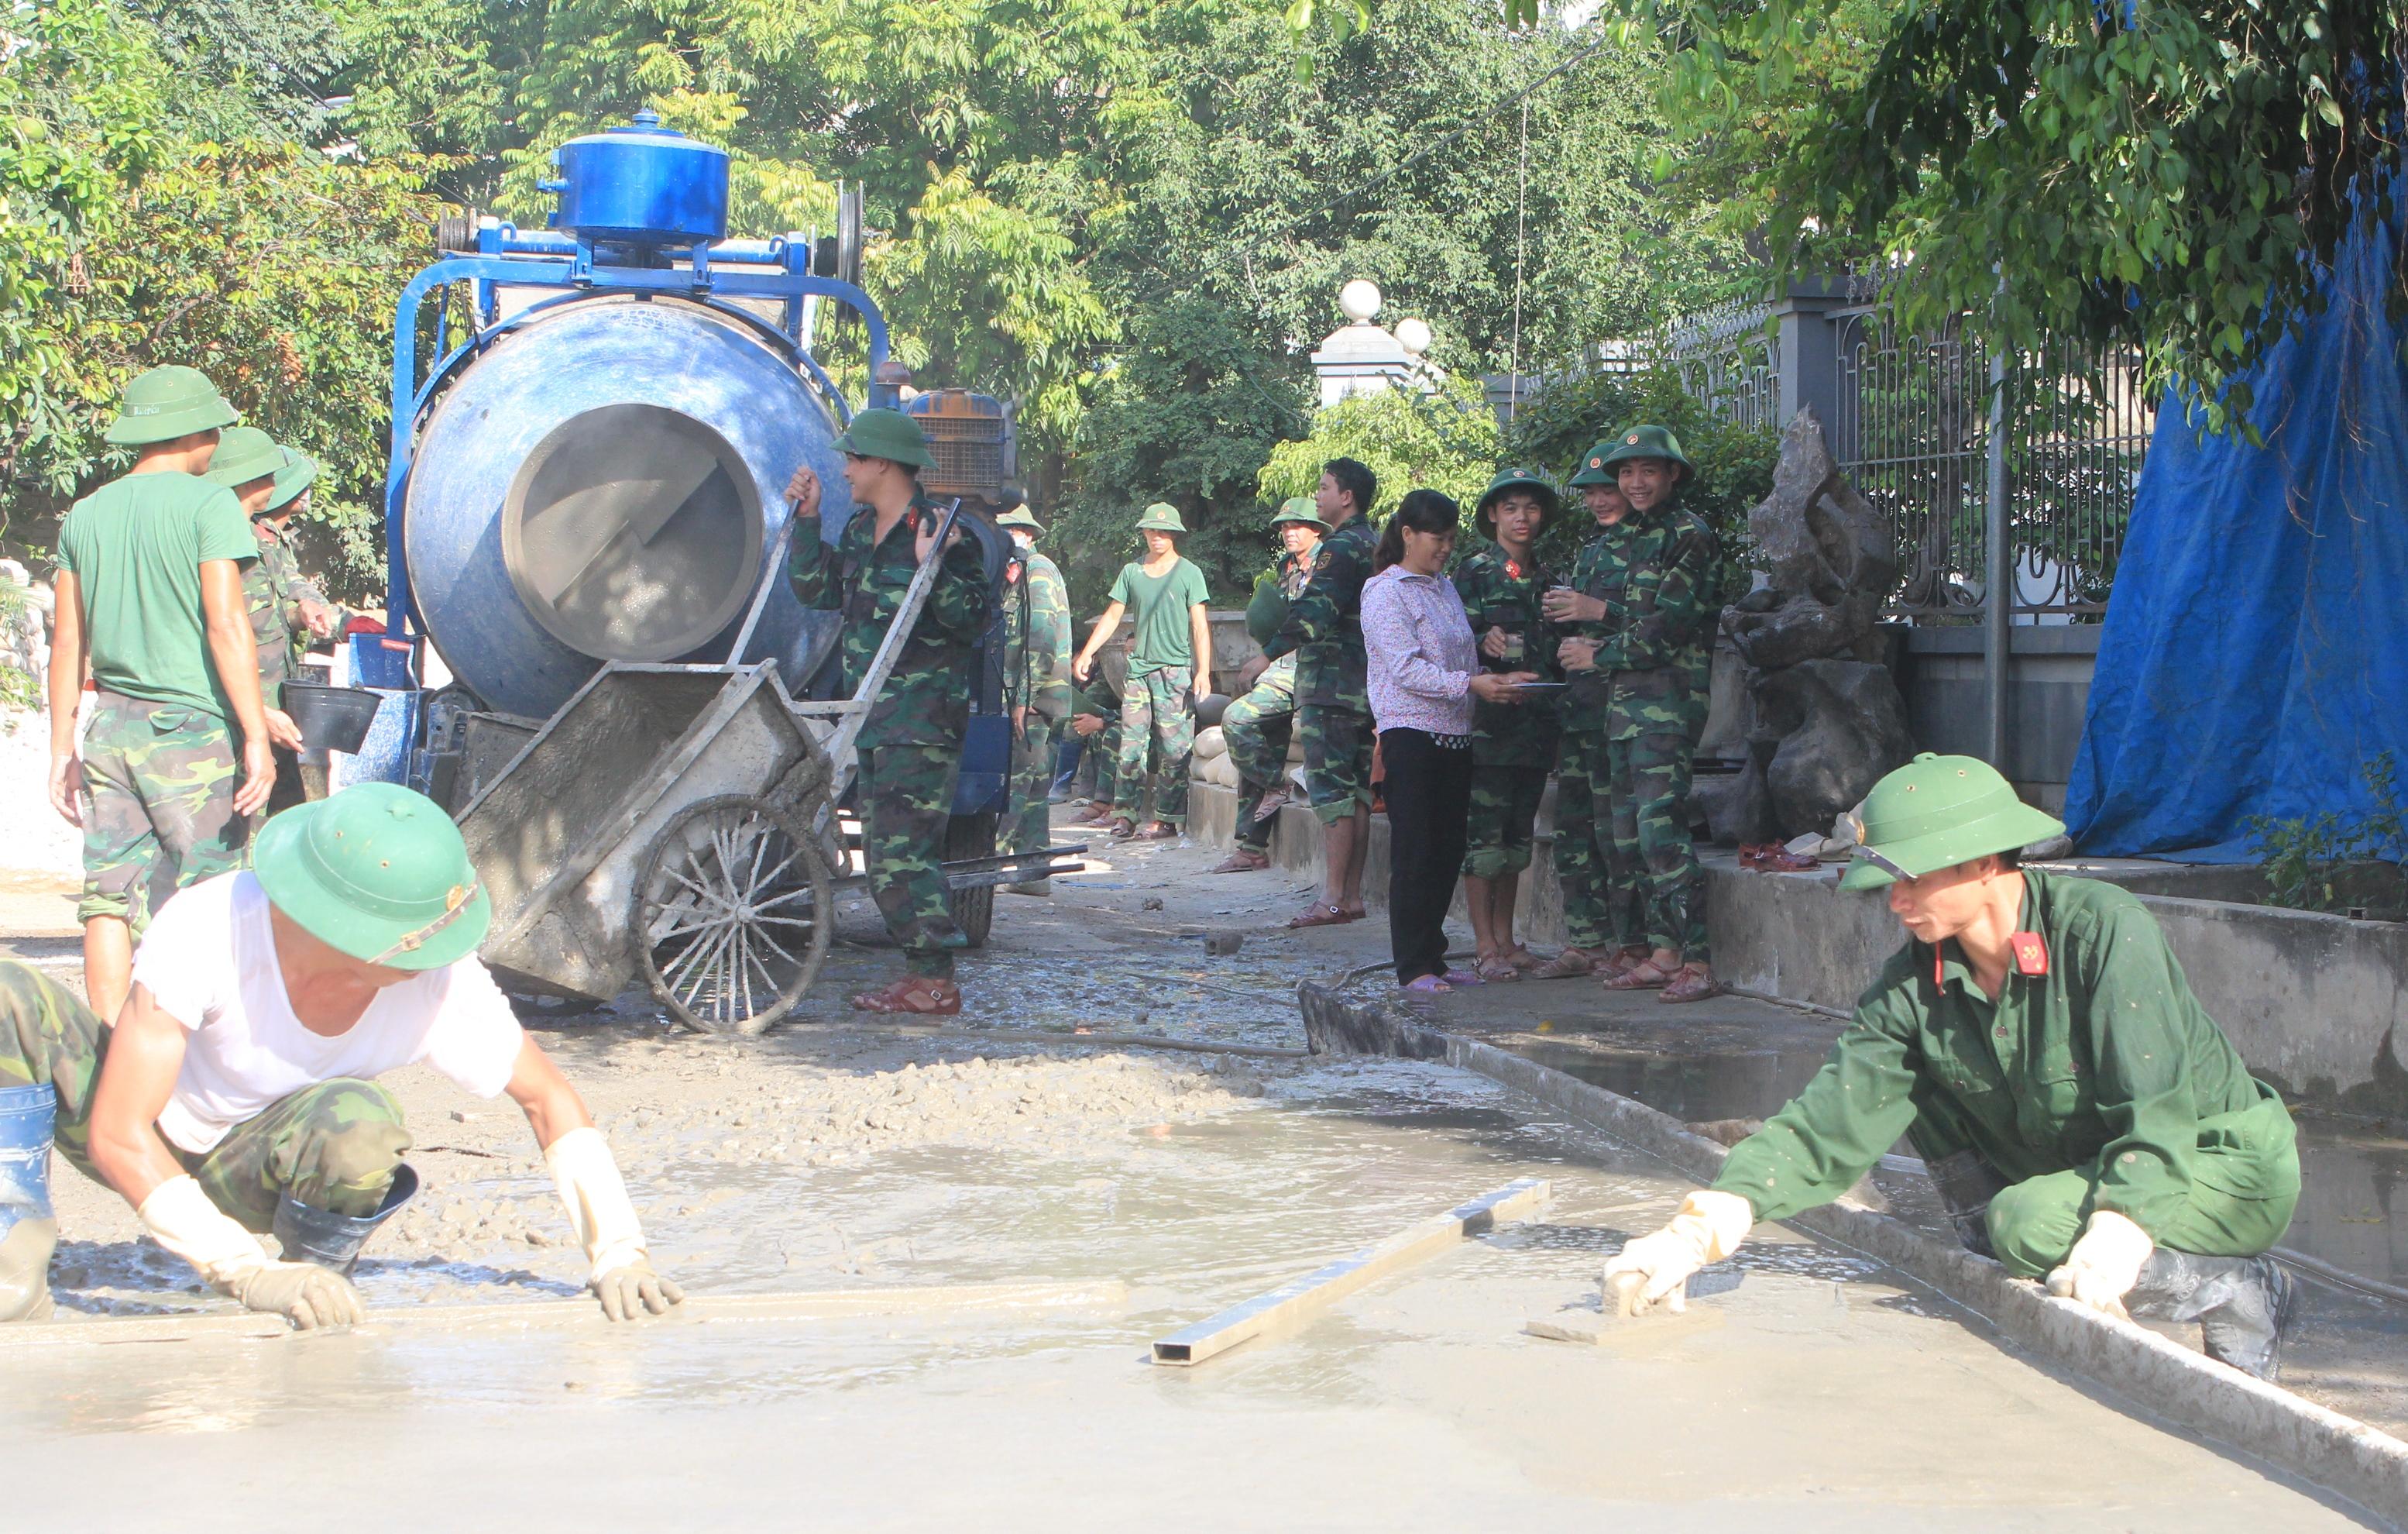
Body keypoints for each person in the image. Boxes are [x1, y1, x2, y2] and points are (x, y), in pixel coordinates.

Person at [1603, 754, 2303, 1381]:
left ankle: (2240, 1291)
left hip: (2215, 1166)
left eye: (1911, 878)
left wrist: (2120, 1225)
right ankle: (2015, 1246)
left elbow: (2154, 1108)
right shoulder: (1915, 985)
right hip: (2084, 1165)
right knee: (1932, 1100)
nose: (1895, 902)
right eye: (1888, 882)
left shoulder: (2101, 931)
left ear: (1981, 864)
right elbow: (1828, 1122)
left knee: (2027, 1225)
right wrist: (1699, 1228)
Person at [0, 783, 683, 1328]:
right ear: (341, 927)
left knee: (361, 1120)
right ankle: (12, 1271)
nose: (431, 961)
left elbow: (549, 1101)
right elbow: (118, 1133)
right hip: (137, 1128)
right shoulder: (210, 927)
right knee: (6, 994)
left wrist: (618, 1250)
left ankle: (319, 1290)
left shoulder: (441, 983)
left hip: (259, 1168)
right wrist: (241, 1268)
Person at [46, 366, 299, 1028]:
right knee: (211, 893)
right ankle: (202, 1046)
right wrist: (253, 733)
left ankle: (111, 1039)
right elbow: (227, 625)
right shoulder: (208, 505)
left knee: (108, 896)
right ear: (193, 432)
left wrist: (59, 749)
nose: (219, 440)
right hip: (190, 733)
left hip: (110, 730)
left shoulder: (86, 513)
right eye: (215, 427)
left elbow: (67, 646)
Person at [785, 409, 992, 1016]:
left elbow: (972, 619)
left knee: (905, 854)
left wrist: (936, 564)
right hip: (873, 717)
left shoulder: (942, 529)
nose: (844, 469)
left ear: (881, 463)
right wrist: (807, 521)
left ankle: (935, 981)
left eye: (853, 459)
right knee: (883, 855)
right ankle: (923, 975)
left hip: (921, 720)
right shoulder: (857, 531)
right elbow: (816, 589)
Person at [1546, 425, 1722, 1004]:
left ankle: (1696, 960)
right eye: (1626, 473)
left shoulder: (1688, 535)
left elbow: (1662, 632)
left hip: (1665, 706)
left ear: (1672, 474)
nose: (1634, 483)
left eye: (1648, 471)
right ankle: (1662, 952)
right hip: (1619, 709)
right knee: (1628, 839)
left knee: (1660, 832)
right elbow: (1625, 620)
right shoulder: (1628, 538)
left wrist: (1598, 636)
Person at [1359, 490, 1535, 994]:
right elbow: (1407, 668)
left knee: (1445, 851)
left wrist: (1493, 678)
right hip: (1410, 735)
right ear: (1408, 534)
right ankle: (1411, 966)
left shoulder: (1444, 588)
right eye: (1437, 538)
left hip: (1456, 734)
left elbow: (1456, 659)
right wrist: (1470, 685)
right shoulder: (1384, 591)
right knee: (1415, 853)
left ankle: (1433, 958)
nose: (1444, 548)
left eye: (1451, 540)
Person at [1533, 443, 1647, 981]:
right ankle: (1585, 941)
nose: (1600, 500)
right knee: (1572, 832)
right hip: (1580, 706)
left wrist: (1595, 611)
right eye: (1591, 492)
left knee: (1616, 834)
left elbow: (1659, 623)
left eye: (1607, 488)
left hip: (1621, 708)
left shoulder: (1647, 545)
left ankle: (1632, 945)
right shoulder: (1593, 548)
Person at [1260, 457, 1380, 928]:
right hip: (1364, 688)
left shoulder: (1340, 548)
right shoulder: (1375, 543)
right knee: (1358, 794)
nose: (1319, 496)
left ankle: (1332, 898)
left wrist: (1266, 653)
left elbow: (1316, 611)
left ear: (1346, 496)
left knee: (1332, 792)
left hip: (1331, 687)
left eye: (1324, 487)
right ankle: (1350, 896)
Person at [1454, 467, 1564, 979]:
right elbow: (1449, 638)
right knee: (1483, 841)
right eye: (1511, 507)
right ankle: (1483, 945)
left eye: (1531, 508)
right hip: (1488, 727)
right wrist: (1482, 640)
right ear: (1493, 514)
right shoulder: (1473, 570)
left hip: (1536, 725)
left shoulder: (1549, 577)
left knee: (1518, 838)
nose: (1522, 518)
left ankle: (1507, 938)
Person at [208, 429, 338, 814]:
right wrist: (258, 716)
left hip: (269, 697)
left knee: (284, 813)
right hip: (239, 704)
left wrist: (305, 612)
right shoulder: (222, 540)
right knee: (246, 814)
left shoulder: (265, 538)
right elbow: (216, 632)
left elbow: (280, 602)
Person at [1070, 504, 1212, 842]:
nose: (1157, 537)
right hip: (1139, 672)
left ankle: (1167, 819)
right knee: (1131, 745)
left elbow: (1200, 626)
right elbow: (1112, 614)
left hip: (1175, 671)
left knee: (1174, 747)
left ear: (1174, 535)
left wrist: (1203, 670)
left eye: (1163, 532)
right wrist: (1088, 652)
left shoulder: (1189, 572)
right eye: (1152, 531)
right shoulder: (1132, 571)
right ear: (1145, 533)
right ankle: (1125, 815)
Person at [1212, 497, 1328, 874]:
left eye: (1297, 525)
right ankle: (1252, 845)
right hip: (1284, 666)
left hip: (1318, 669)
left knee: (1237, 720)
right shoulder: (1287, 566)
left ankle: (1278, 784)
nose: (1288, 532)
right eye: (1283, 526)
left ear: (1317, 529)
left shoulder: (1330, 563)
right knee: (1264, 742)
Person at [996, 503, 1072, 896]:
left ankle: (985, 863)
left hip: (1034, 697)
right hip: (1033, 695)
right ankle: (1032, 871)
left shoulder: (1037, 570)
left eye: (1008, 532)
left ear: (1024, 534)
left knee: (1015, 782)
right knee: (1035, 784)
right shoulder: (1016, 574)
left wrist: (1023, 697)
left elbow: (1041, 637)